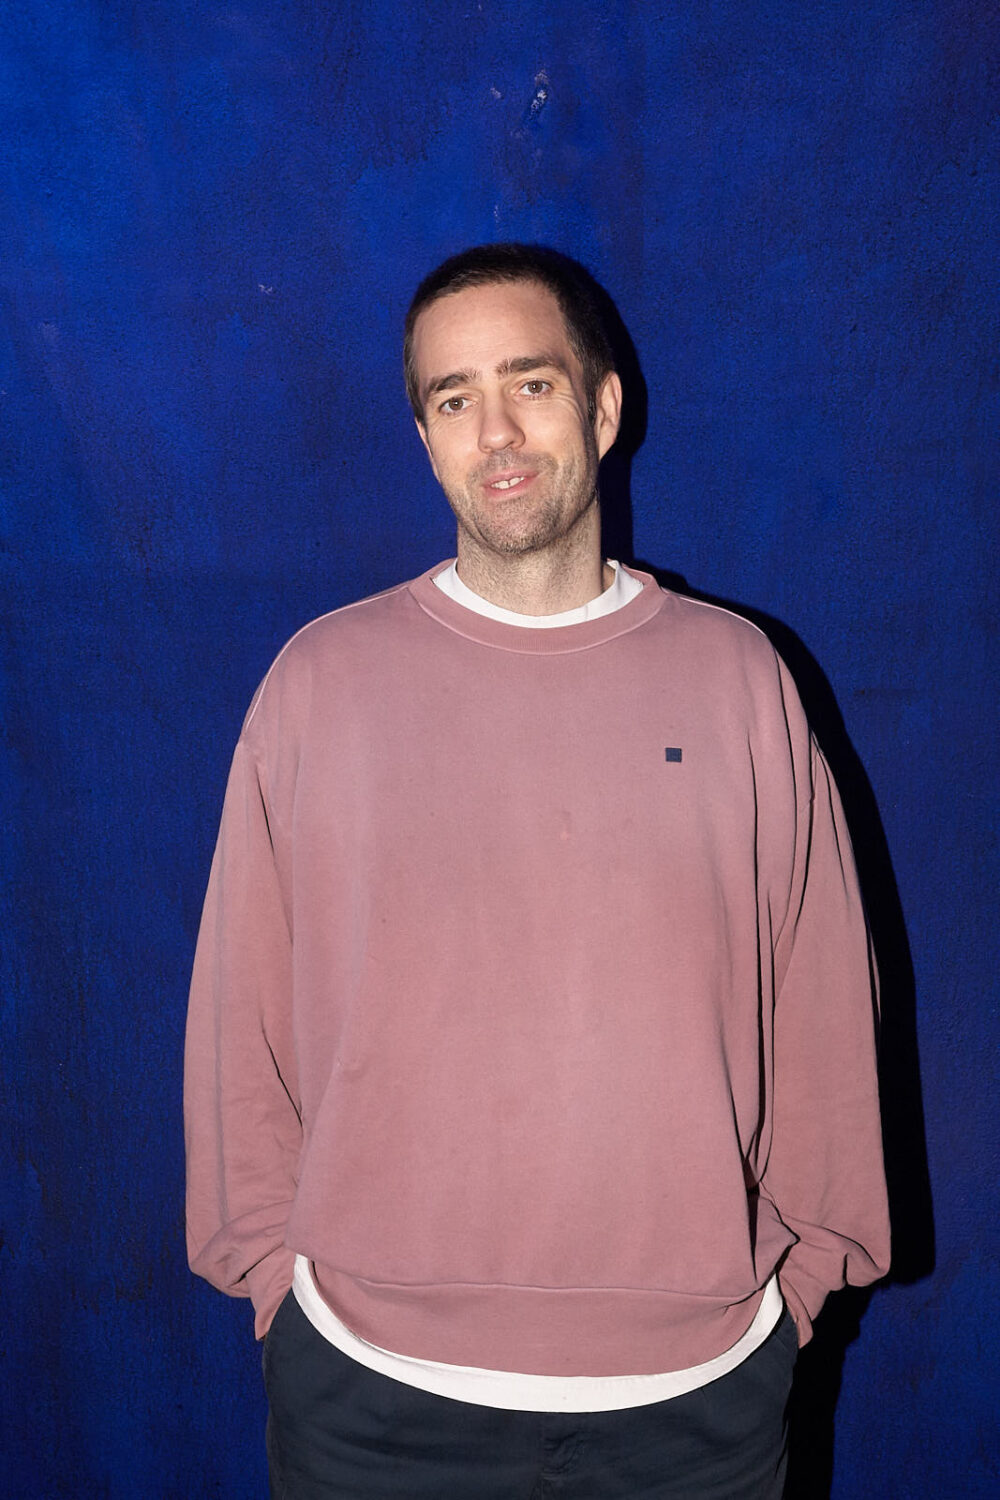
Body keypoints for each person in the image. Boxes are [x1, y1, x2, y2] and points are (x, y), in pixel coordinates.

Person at [184, 244, 890, 1499]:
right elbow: (240, 1019)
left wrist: (803, 1283)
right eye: (453, 398)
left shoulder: (739, 681)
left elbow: (824, 1000)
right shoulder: (320, 685)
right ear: (423, 434)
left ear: (604, 407)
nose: (495, 430)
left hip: (694, 1404)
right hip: (370, 1394)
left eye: (531, 383)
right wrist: (270, 1282)